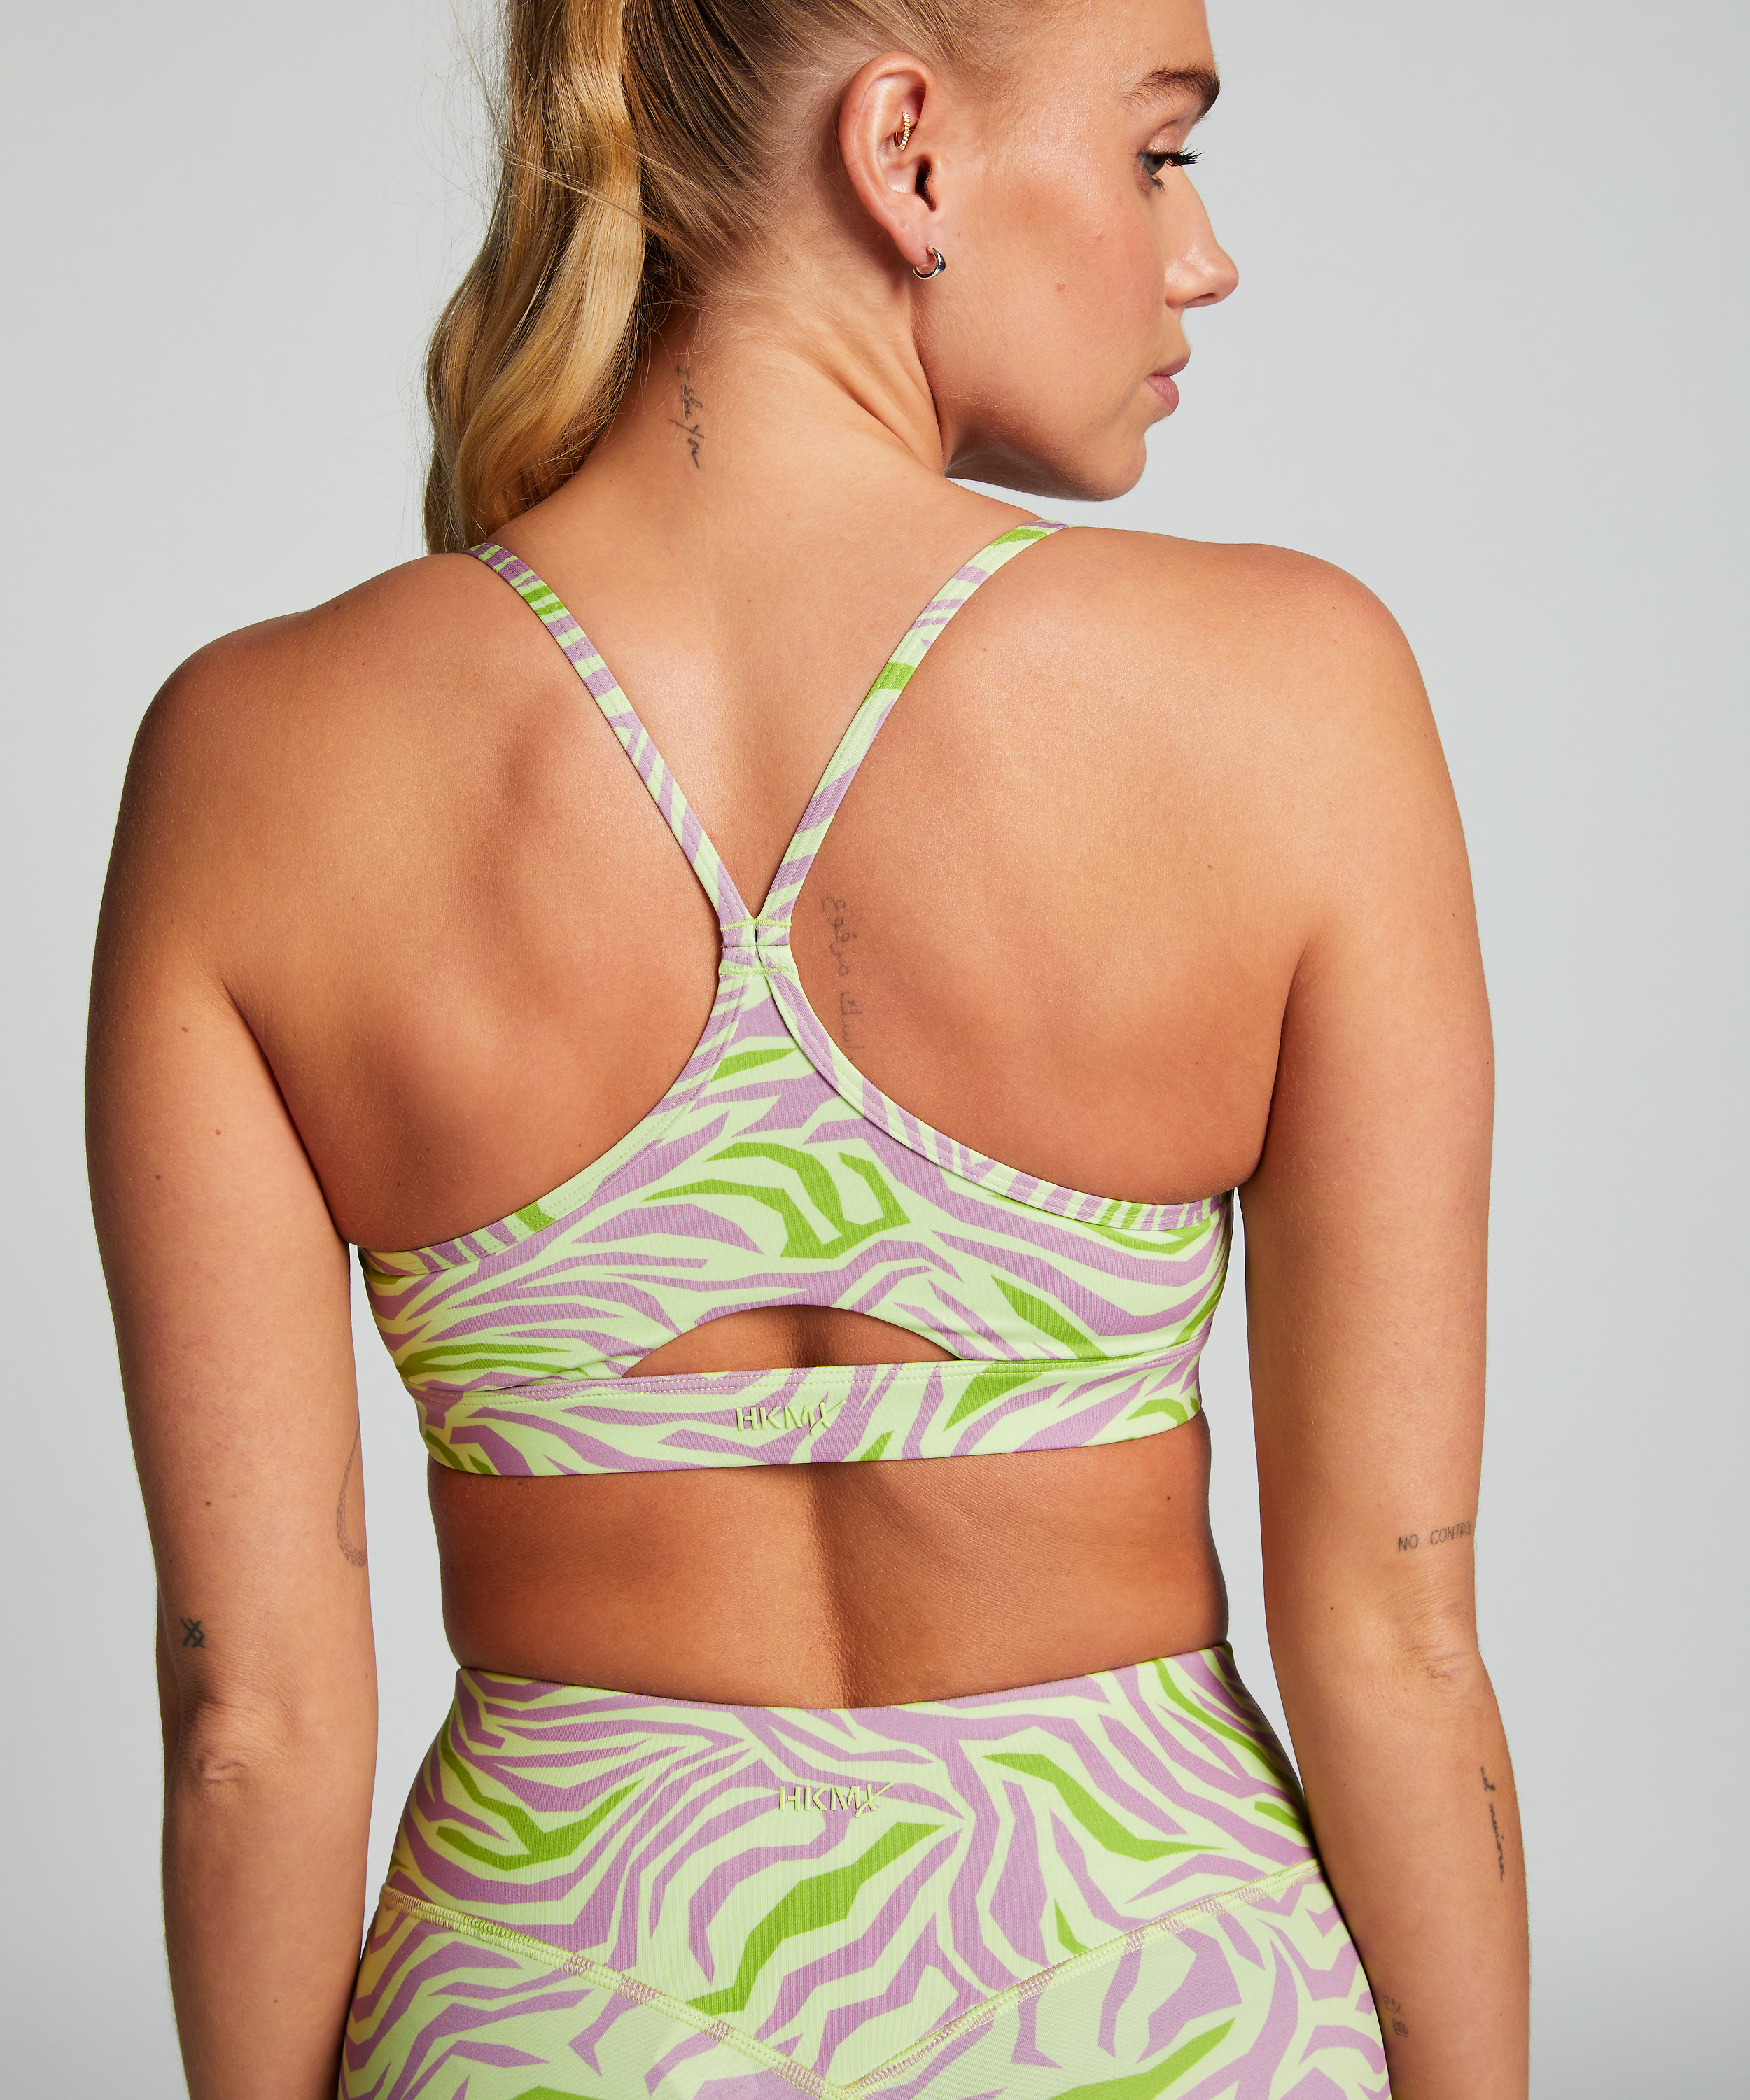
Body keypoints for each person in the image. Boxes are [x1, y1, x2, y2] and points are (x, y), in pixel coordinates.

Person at [88, 0, 1530, 2093]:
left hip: (555, 1996)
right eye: (1158, 153)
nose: (1201, 257)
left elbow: (252, 1723)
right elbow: (1396, 1641)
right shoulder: (1293, 695)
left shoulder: (253, 760)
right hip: (1154, 1978)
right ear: (905, 150)